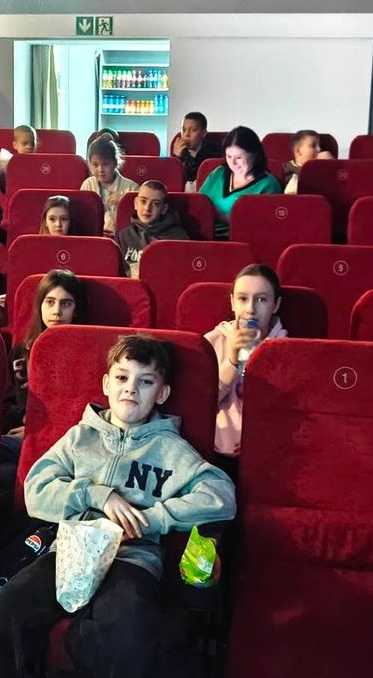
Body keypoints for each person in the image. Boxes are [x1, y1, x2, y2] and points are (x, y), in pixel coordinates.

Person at [0, 334, 237, 678]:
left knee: (127, 638)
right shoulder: (80, 437)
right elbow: (36, 491)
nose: (131, 389)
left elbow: (221, 496)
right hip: (67, 553)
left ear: (162, 394)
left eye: (145, 381)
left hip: (132, 559)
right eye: (122, 377)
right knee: (0, 618)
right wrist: (98, 495)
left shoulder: (171, 449)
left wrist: (153, 518)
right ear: (107, 384)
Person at [202, 264, 288, 470]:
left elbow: (287, 412)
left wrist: (260, 437)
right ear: (232, 302)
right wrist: (232, 361)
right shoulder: (211, 343)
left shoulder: (286, 350)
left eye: (261, 300)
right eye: (242, 299)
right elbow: (199, 404)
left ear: (275, 305)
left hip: (264, 454)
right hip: (211, 451)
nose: (250, 309)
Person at [0, 270, 88, 464]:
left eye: (66, 303)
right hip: (25, 435)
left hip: (69, 440)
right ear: (40, 307)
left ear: (76, 310)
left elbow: (85, 408)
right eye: (50, 302)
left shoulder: (87, 354)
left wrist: (43, 429)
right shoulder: (20, 352)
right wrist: (27, 422)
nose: (57, 311)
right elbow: (5, 403)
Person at [198, 126, 282, 239]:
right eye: (229, 156)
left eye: (238, 157)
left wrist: (220, 216)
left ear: (254, 154)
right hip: (202, 234)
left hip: (237, 240)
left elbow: (262, 226)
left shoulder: (268, 185)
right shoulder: (219, 173)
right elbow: (198, 203)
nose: (233, 163)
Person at [114, 180, 188, 278]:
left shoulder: (178, 237)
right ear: (136, 203)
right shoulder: (124, 236)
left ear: (164, 209)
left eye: (155, 204)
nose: (147, 208)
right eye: (143, 201)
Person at [81, 137, 138, 232]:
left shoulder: (131, 188)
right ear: (89, 164)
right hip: (93, 234)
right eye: (95, 165)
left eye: (106, 164)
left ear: (115, 163)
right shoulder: (87, 185)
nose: (100, 170)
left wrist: (124, 204)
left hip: (121, 235)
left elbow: (138, 224)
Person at [172, 112, 222, 188]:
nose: (187, 134)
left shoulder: (211, 153)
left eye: (193, 130)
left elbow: (193, 178)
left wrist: (181, 157)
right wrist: (175, 158)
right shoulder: (178, 149)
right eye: (184, 130)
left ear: (203, 133)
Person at [283, 129, 335, 194]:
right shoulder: (286, 170)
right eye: (313, 146)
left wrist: (331, 165)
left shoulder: (321, 168)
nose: (319, 149)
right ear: (298, 151)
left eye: (319, 146)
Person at [0, 125, 38, 193]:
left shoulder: (40, 163)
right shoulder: (10, 163)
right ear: (15, 145)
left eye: (32, 144)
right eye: (24, 143)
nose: (29, 147)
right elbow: (4, 188)